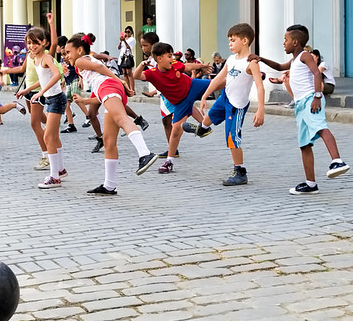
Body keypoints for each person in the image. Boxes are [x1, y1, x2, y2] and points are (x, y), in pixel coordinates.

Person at [250, 25, 350, 194]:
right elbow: (280, 66)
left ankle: (337, 161)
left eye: (286, 40)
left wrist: (318, 96)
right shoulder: (294, 60)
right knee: (304, 144)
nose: (284, 43)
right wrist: (261, 59)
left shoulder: (305, 55)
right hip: (301, 104)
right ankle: (310, 184)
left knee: (320, 127)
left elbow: (317, 74)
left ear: (295, 42)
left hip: (311, 99)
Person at [64, 34, 157, 195]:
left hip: (109, 87)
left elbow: (101, 70)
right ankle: (109, 185)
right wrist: (85, 100)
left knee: (121, 119)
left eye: (67, 52)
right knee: (108, 140)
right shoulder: (89, 59)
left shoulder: (80, 61)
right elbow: (98, 90)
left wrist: (120, 80)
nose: (65, 56)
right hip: (109, 89)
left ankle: (145, 153)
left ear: (79, 50)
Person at [197, 24, 265, 186]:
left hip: (237, 105)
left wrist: (261, 109)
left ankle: (240, 172)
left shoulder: (252, 63)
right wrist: (205, 96)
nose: (229, 44)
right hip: (225, 98)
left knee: (232, 138)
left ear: (245, 41)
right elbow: (219, 79)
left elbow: (260, 86)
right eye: (229, 40)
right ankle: (201, 129)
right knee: (208, 119)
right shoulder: (232, 59)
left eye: (233, 40)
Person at [133, 42, 211, 173]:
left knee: (218, 83)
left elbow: (186, 66)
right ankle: (169, 161)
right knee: (175, 131)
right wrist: (141, 65)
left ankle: (205, 125)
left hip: (192, 86)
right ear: (159, 58)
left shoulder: (174, 65)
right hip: (180, 102)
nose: (172, 59)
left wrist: (201, 66)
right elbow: (136, 76)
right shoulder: (152, 73)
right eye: (169, 56)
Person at [18, 26, 67, 189]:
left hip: (56, 98)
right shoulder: (35, 58)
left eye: (35, 43)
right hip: (50, 98)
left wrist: (41, 93)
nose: (31, 46)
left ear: (44, 43)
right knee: (52, 136)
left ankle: (54, 177)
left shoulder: (46, 57)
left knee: (48, 137)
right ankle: (60, 170)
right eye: (29, 43)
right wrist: (27, 89)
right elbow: (43, 78)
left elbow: (57, 74)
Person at [118, 26, 137, 93]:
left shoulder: (132, 39)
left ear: (131, 32)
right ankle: (128, 88)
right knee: (124, 73)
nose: (127, 33)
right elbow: (119, 47)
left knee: (129, 73)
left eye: (128, 32)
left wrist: (124, 41)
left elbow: (129, 47)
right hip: (122, 57)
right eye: (126, 32)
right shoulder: (124, 39)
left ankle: (132, 89)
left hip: (128, 56)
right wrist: (121, 41)